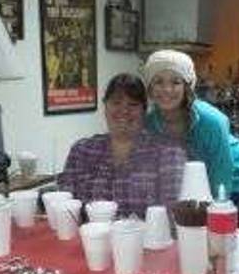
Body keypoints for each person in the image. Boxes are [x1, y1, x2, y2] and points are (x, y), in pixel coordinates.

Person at [58, 73, 186, 218]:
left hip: (147, 240)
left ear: (144, 110)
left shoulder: (169, 154)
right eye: (116, 102)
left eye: (133, 105)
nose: (124, 111)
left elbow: (173, 217)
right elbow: (65, 209)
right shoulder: (82, 151)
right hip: (90, 238)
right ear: (105, 107)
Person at [143, 49, 239, 196]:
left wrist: (213, 211)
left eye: (176, 82)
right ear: (150, 87)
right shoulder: (148, 123)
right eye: (158, 82)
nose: (167, 89)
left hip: (235, 180)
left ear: (187, 87)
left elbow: (221, 176)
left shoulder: (211, 121)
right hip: (193, 184)